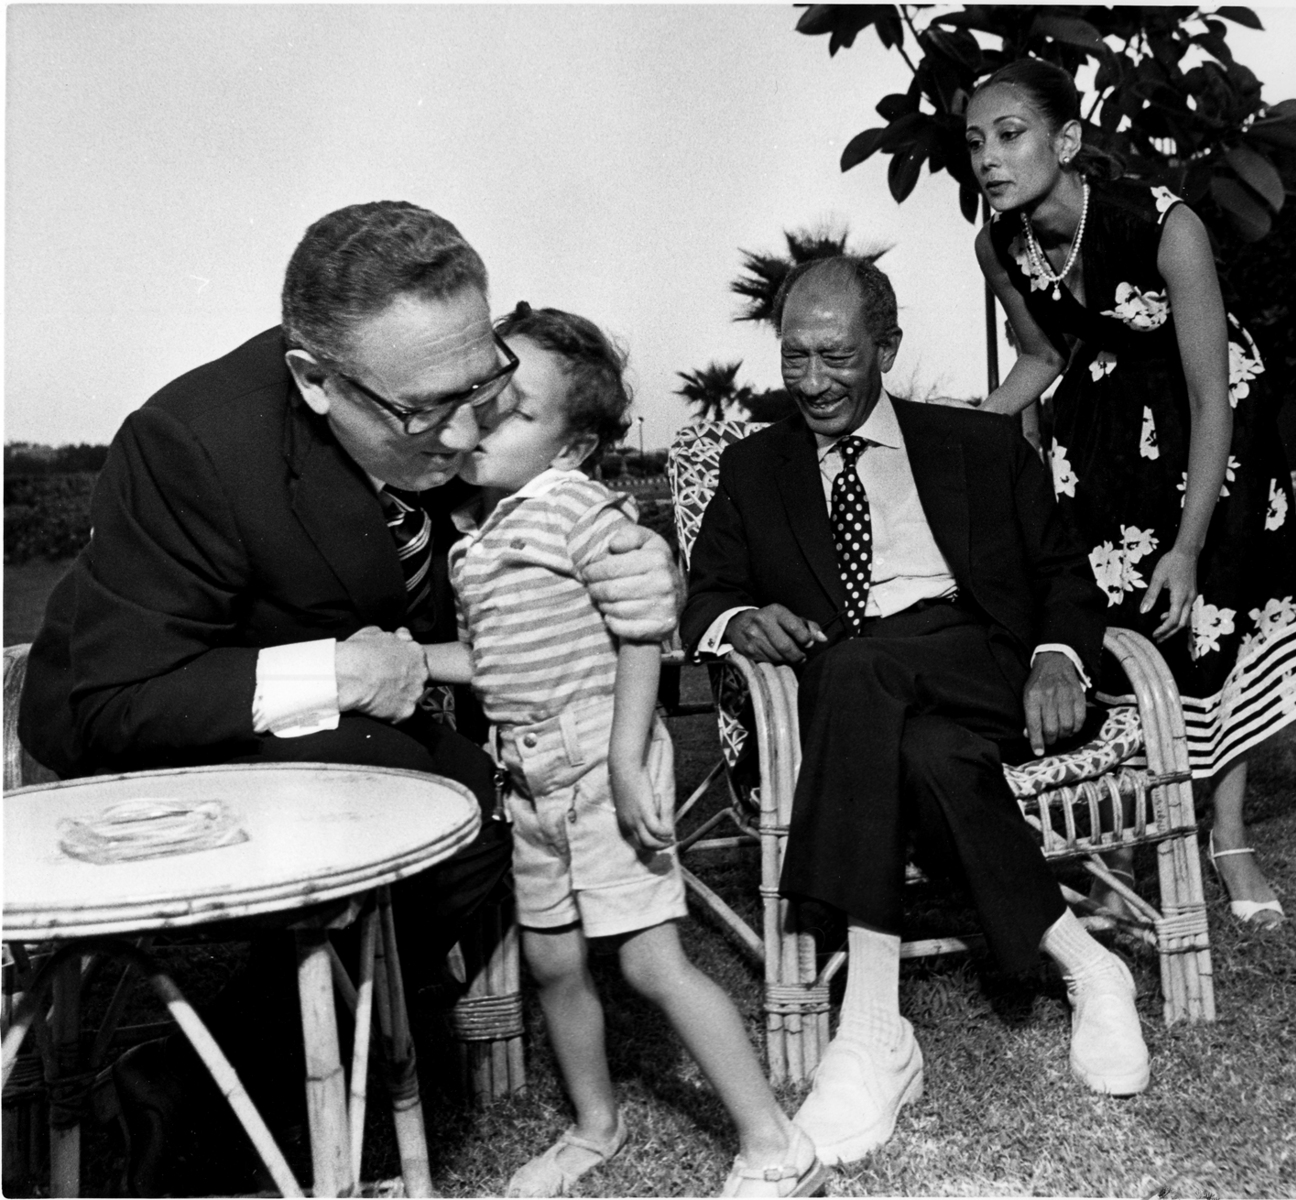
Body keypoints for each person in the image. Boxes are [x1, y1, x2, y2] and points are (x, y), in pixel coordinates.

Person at [17, 201, 680, 1193]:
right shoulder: (192, 444)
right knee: (417, 792)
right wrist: (335, 671)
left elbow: (557, 531)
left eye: (484, 384)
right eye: (425, 411)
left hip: (353, 718)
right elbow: (120, 694)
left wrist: (642, 573)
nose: (467, 434)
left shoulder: (444, 394)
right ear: (315, 383)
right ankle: (218, 1083)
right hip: (142, 718)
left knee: (473, 808)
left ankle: (180, 1081)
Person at [680, 255, 1152, 1168]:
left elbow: (1063, 577)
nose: (812, 382)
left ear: (887, 348)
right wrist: (743, 618)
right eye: (795, 357)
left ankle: (871, 1033)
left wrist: (1057, 658)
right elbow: (706, 600)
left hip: (978, 661)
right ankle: (1090, 967)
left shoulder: (978, 446)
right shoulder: (753, 466)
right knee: (923, 750)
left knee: (861, 674)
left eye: (836, 356)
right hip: (862, 693)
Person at [423, 302, 824, 1199]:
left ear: (569, 447)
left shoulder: (574, 506)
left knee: (650, 960)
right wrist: (408, 658)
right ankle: (595, 1126)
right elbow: (489, 663)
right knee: (555, 961)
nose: (486, 421)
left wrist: (620, 753)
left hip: (602, 770)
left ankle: (774, 1143)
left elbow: (645, 624)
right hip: (527, 778)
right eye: (484, 399)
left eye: (517, 412)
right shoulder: (476, 540)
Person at [965, 59, 1296, 928]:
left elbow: (1210, 390)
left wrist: (1189, 542)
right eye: (976, 141)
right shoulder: (998, 245)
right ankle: (1130, 834)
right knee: (1112, 626)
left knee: (1214, 618)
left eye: (1010, 134)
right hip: (1101, 430)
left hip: (1214, 429)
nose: (988, 157)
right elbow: (1044, 357)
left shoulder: (1163, 224)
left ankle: (1230, 835)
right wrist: (970, 427)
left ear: (1067, 142)